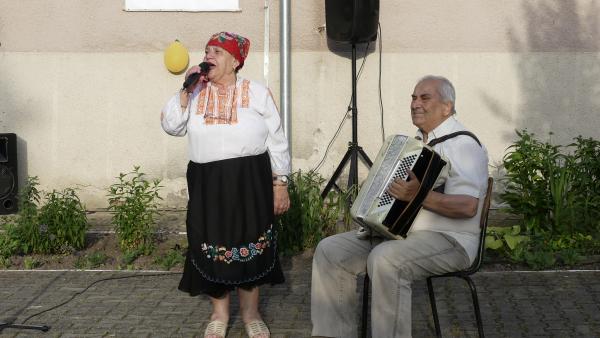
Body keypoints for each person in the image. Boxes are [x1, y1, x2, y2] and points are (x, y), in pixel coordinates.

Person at [310, 75, 489, 337]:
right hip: (400, 235)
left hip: (451, 240)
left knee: (386, 260)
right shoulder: (414, 144)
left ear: (447, 107)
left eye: (425, 98)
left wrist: (419, 196)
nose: (415, 103)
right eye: (413, 97)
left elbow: (467, 207)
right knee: (330, 250)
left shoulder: (463, 145)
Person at [161, 31, 290, 338]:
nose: (209, 57)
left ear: (235, 61)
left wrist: (280, 183)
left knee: (250, 241)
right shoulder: (193, 93)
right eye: (207, 51)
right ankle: (219, 314)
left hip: (250, 180)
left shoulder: (257, 93)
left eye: (217, 52)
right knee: (210, 242)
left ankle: (251, 314)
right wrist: (184, 89)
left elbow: (277, 139)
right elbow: (171, 125)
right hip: (207, 182)